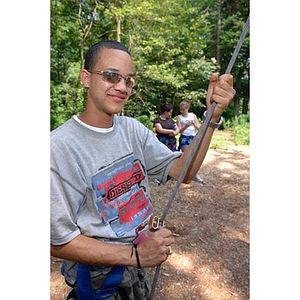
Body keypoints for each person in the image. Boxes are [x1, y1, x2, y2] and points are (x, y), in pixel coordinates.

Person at [51, 40, 235, 300]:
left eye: (129, 80)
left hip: (136, 272)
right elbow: (56, 241)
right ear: (86, 78)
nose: (122, 87)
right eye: (111, 76)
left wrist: (212, 116)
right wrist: (134, 256)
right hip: (99, 284)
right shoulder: (59, 147)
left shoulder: (131, 129)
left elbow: (185, 171)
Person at [176, 100, 203, 183]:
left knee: (193, 155)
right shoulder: (179, 117)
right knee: (186, 155)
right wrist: (186, 126)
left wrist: (194, 124)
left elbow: (199, 128)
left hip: (193, 137)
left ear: (187, 108)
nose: (182, 111)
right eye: (181, 110)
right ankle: (183, 173)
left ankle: (194, 174)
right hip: (184, 137)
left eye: (184, 109)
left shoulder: (192, 115)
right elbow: (180, 130)